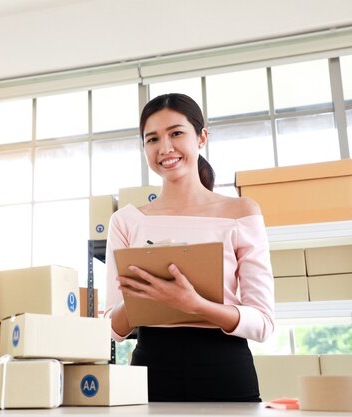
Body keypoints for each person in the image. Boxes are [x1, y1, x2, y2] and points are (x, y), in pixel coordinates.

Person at [103, 93, 275, 402]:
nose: (165, 148)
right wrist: (145, 297)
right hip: (150, 372)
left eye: (176, 133)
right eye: (152, 139)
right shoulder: (126, 221)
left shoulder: (241, 212)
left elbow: (262, 323)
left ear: (202, 137)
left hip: (225, 371)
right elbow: (110, 330)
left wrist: (194, 304)